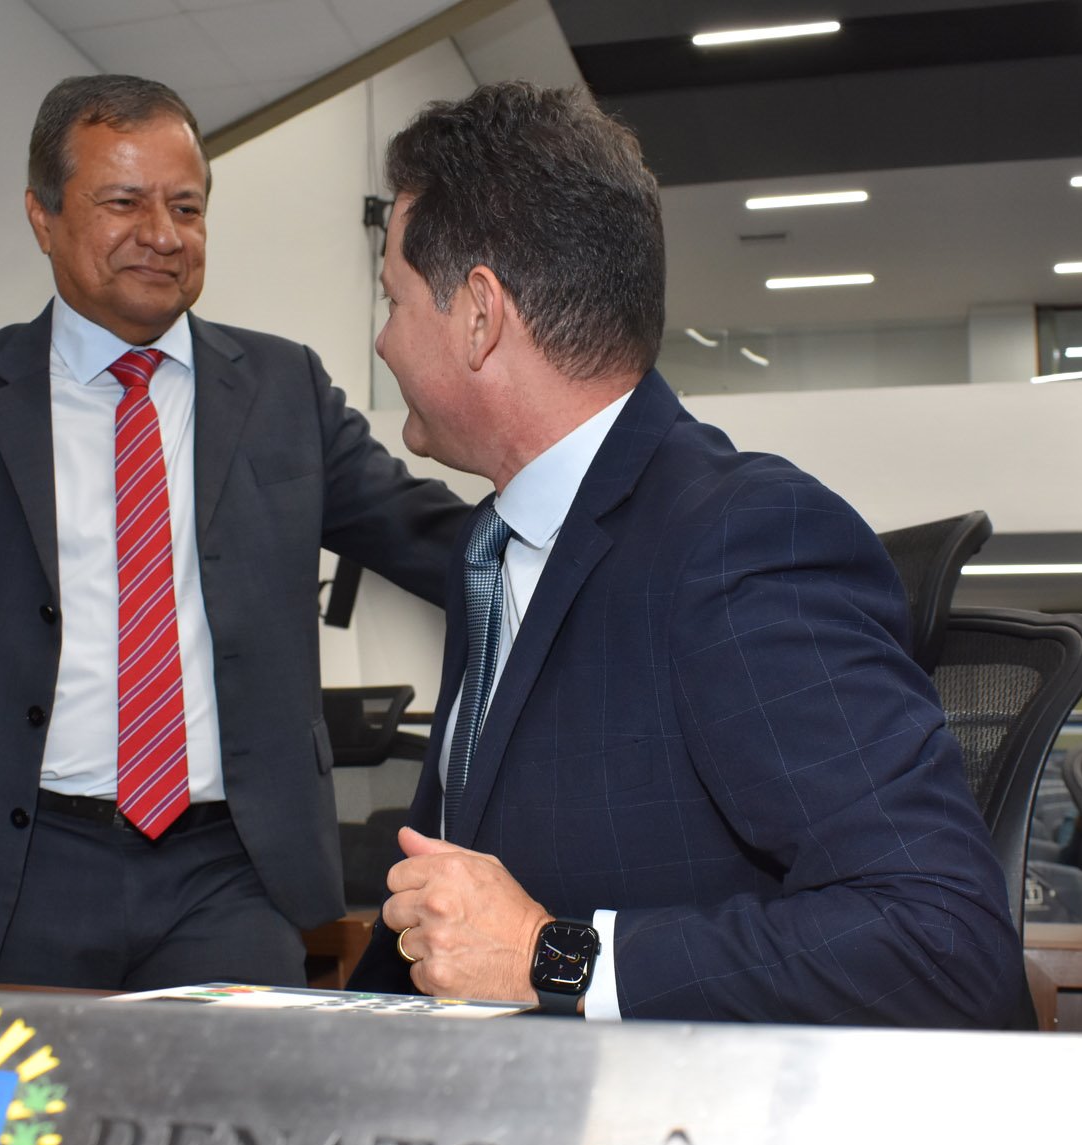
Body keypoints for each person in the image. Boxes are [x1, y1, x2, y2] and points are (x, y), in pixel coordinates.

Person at [0, 75, 466, 990]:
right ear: (43, 216)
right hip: (2, 871)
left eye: (186, 206)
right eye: (124, 202)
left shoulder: (282, 387)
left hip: (228, 874)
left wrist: (581, 515)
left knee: (237, 1087)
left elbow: (434, 538)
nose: (163, 234)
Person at [346, 83, 1019, 1026]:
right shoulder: (490, 550)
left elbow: (942, 942)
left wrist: (552, 956)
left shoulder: (742, 541)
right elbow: (446, 911)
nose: (383, 340)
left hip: (671, 1113)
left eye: (394, 300)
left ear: (480, 314)